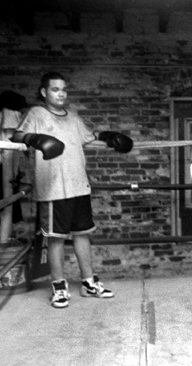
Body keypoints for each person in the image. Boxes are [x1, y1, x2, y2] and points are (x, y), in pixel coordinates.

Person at [12, 71, 134, 308]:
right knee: (56, 239)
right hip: (52, 189)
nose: (61, 93)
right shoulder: (36, 113)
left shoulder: (74, 117)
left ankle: (89, 282)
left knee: (83, 235)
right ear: (44, 92)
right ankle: (59, 287)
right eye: (56, 89)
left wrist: (107, 136)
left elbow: (88, 137)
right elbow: (16, 135)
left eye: (64, 89)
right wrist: (34, 139)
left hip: (79, 186)